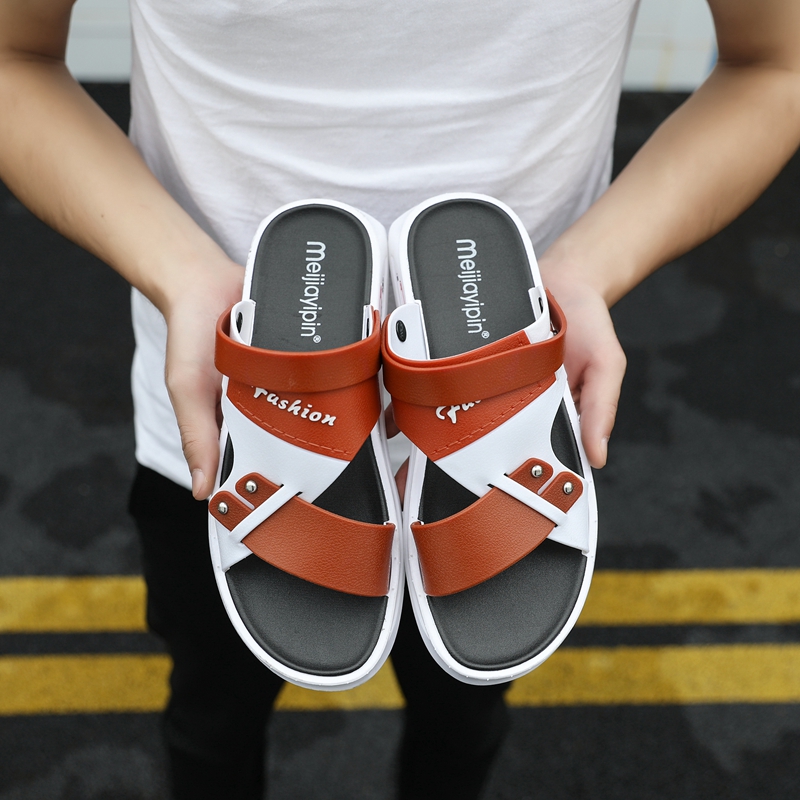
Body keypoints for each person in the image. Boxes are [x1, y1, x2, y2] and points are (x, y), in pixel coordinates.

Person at [1, 1, 799, 798]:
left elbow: (775, 65)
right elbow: (14, 59)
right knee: (213, 719)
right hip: (221, 406)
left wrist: (589, 269)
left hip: (512, 405)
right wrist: (179, 274)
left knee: (464, 719)